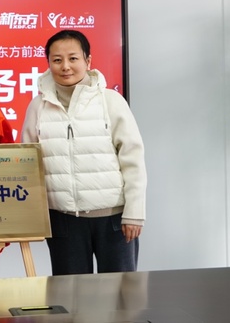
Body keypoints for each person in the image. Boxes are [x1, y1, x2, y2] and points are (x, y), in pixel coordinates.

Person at [21, 29, 146, 275]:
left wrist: (134, 214)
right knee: (70, 293)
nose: (65, 66)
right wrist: (34, 217)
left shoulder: (110, 101)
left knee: (121, 292)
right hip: (63, 220)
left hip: (113, 219)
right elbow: (28, 165)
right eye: (57, 60)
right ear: (49, 63)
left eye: (73, 58)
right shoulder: (38, 107)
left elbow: (133, 160)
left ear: (88, 61)